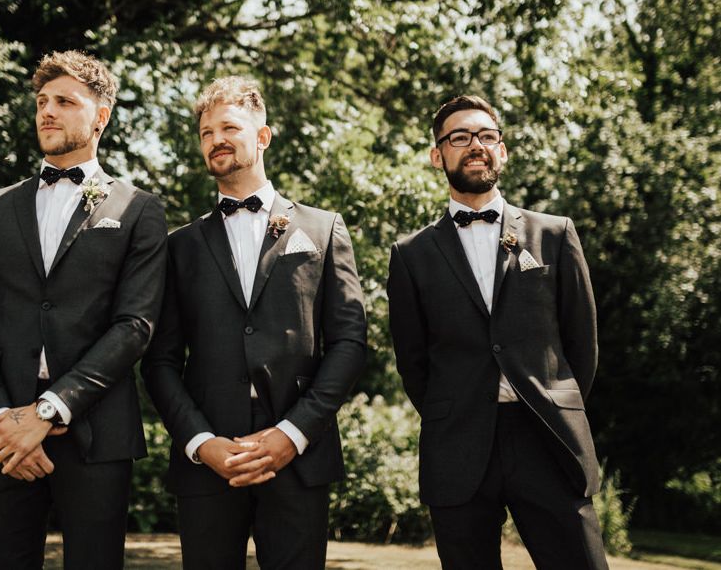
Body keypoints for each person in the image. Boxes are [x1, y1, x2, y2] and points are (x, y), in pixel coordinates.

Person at [142, 76, 366, 569]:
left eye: (229, 127)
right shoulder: (179, 246)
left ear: (262, 137)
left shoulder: (322, 229)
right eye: (205, 132)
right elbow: (159, 362)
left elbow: (349, 343)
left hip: (299, 458)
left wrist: (294, 432)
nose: (215, 139)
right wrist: (202, 443)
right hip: (208, 464)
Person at [387, 95, 609, 569]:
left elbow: (581, 343)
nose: (476, 146)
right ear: (437, 155)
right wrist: (455, 411)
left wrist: (556, 398)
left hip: (548, 438)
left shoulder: (555, 234)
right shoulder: (411, 255)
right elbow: (413, 362)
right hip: (460, 447)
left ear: (502, 151)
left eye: (487, 136)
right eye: (460, 137)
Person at [0, 50, 167, 570]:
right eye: (42, 101)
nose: (47, 111)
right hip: (3, 439)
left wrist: (47, 412)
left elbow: (135, 326)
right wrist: (4, 419)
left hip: (97, 433)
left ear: (101, 117)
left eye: (65, 101)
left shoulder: (138, 209)